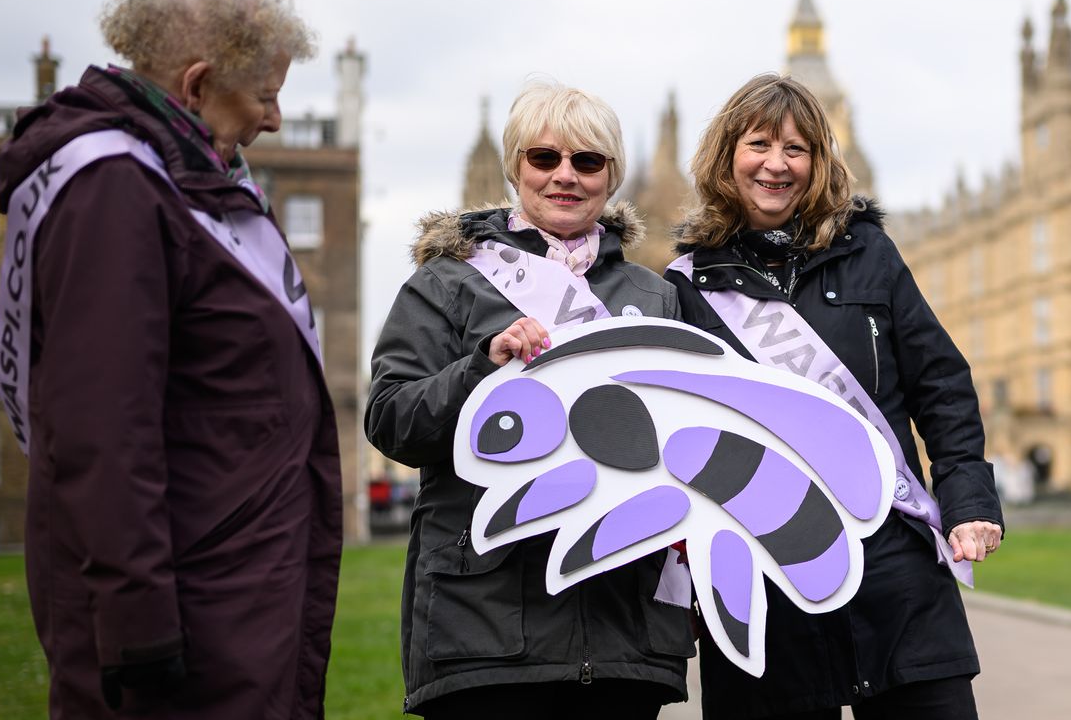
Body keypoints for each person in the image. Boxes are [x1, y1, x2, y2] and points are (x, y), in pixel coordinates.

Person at [0, 0, 342, 718]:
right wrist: (138, 627)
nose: (276, 119)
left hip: (229, 596)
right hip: (184, 622)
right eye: (266, 95)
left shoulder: (182, 179)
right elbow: (103, 429)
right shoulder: (117, 189)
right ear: (196, 83)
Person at [666, 73, 1004, 719]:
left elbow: (942, 384)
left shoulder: (870, 253)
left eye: (797, 149)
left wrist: (966, 500)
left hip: (895, 571)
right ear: (725, 156)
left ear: (819, 162)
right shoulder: (686, 288)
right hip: (767, 584)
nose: (777, 164)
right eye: (759, 144)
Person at [365, 81, 694, 719]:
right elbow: (392, 421)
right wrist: (479, 371)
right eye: (544, 158)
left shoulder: (655, 297)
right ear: (515, 168)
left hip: (623, 632)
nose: (565, 176)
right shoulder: (449, 282)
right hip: (486, 632)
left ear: (613, 176)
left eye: (587, 161)